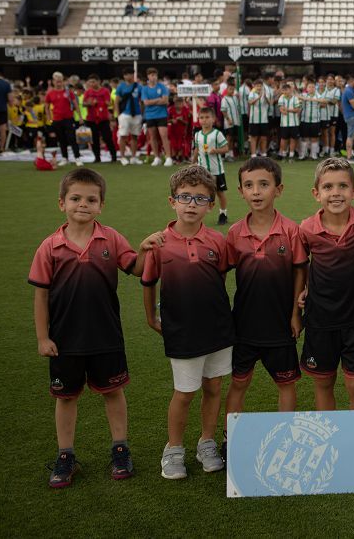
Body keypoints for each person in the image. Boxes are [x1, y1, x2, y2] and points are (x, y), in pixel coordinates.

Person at [29, 168, 143, 488]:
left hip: (106, 336)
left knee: (113, 391)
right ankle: (66, 455)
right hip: (65, 341)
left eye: (91, 199)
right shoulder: (49, 247)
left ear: (101, 205)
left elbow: (137, 268)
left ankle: (120, 448)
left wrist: (149, 249)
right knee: (66, 398)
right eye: (75, 198)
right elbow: (40, 296)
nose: (83, 204)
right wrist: (42, 337)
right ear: (61, 203)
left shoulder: (112, 238)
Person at [139, 166, 233, 479]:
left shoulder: (217, 241)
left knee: (214, 386)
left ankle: (206, 442)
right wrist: (152, 316)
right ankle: (174, 449)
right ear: (172, 201)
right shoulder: (159, 243)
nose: (191, 204)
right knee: (184, 392)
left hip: (218, 327)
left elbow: (218, 277)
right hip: (182, 330)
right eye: (184, 197)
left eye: (200, 198)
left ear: (210, 204)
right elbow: (148, 281)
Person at [223, 158, 305, 454]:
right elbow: (220, 273)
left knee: (286, 385)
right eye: (249, 185)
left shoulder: (291, 231)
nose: (256, 191)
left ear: (278, 189)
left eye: (263, 184)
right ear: (241, 191)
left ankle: (287, 437)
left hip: (280, 324)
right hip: (244, 325)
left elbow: (300, 272)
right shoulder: (234, 233)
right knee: (238, 383)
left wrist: (296, 314)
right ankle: (229, 437)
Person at [298, 158, 354, 411]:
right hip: (320, 320)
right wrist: (304, 288)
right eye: (328, 187)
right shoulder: (306, 229)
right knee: (324, 382)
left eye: (343, 186)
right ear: (316, 194)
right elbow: (300, 265)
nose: (336, 193)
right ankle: (328, 440)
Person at [192, 107, 230, 226]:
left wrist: (216, 150)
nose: (204, 120)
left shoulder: (217, 134)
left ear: (213, 119)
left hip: (216, 170)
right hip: (202, 170)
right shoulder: (197, 134)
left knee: (219, 193)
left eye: (207, 117)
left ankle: (223, 213)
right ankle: (198, 215)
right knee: (201, 192)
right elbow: (197, 149)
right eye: (202, 118)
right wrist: (193, 162)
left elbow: (226, 148)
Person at [45, 72, 83, 167]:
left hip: (69, 119)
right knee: (61, 140)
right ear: (53, 82)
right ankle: (64, 158)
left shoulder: (68, 92)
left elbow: (75, 104)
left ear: (63, 82)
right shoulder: (50, 93)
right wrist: (50, 120)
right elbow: (46, 107)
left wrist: (80, 117)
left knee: (72, 139)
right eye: (57, 81)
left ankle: (77, 158)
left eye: (60, 81)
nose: (59, 83)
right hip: (57, 120)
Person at [140, 68, 173, 167]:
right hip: (150, 115)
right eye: (151, 75)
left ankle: (168, 157)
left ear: (157, 76)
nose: (153, 77)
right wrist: (159, 99)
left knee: (164, 136)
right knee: (153, 137)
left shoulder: (162, 87)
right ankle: (157, 157)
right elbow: (146, 103)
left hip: (161, 114)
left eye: (154, 75)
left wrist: (152, 101)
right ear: (148, 76)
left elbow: (165, 101)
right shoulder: (145, 89)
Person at [82, 75, 116, 163]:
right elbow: (84, 103)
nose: (92, 84)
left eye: (93, 81)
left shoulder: (105, 91)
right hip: (91, 119)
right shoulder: (88, 92)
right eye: (90, 82)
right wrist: (90, 103)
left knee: (107, 137)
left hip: (103, 119)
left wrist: (99, 102)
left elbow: (108, 103)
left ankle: (114, 156)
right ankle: (97, 157)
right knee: (94, 139)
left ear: (98, 81)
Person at [115, 69, 144, 165]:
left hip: (137, 114)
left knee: (135, 136)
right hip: (125, 114)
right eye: (127, 74)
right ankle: (122, 157)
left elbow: (142, 101)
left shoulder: (138, 86)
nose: (129, 76)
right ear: (124, 76)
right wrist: (118, 114)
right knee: (123, 136)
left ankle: (133, 157)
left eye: (131, 74)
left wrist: (142, 114)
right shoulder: (121, 86)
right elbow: (116, 101)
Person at [246, 79, 271, 159]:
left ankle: (263, 153)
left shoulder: (265, 93)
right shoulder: (252, 93)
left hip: (264, 119)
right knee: (254, 137)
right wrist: (258, 97)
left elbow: (269, 103)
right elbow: (250, 102)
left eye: (260, 86)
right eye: (257, 86)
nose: (259, 87)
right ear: (254, 86)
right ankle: (253, 154)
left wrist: (265, 96)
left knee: (264, 137)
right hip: (254, 119)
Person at [277, 81, 301, 161]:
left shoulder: (295, 98)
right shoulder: (281, 98)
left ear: (290, 90)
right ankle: (283, 155)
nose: (285, 92)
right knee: (284, 139)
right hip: (284, 123)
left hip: (294, 123)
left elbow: (297, 110)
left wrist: (287, 109)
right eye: (284, 90)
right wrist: (285, 110)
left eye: (286, 90)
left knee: (293, 139)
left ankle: (291, 155)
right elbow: (281, 109)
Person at [340, 77, 354, 163]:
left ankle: (350, 155)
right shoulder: (348, 91)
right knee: (350, 136)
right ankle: (349, 157)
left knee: (352, 136)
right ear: (351, 81)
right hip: (351, 116)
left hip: (352, 116)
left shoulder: (352, 91)